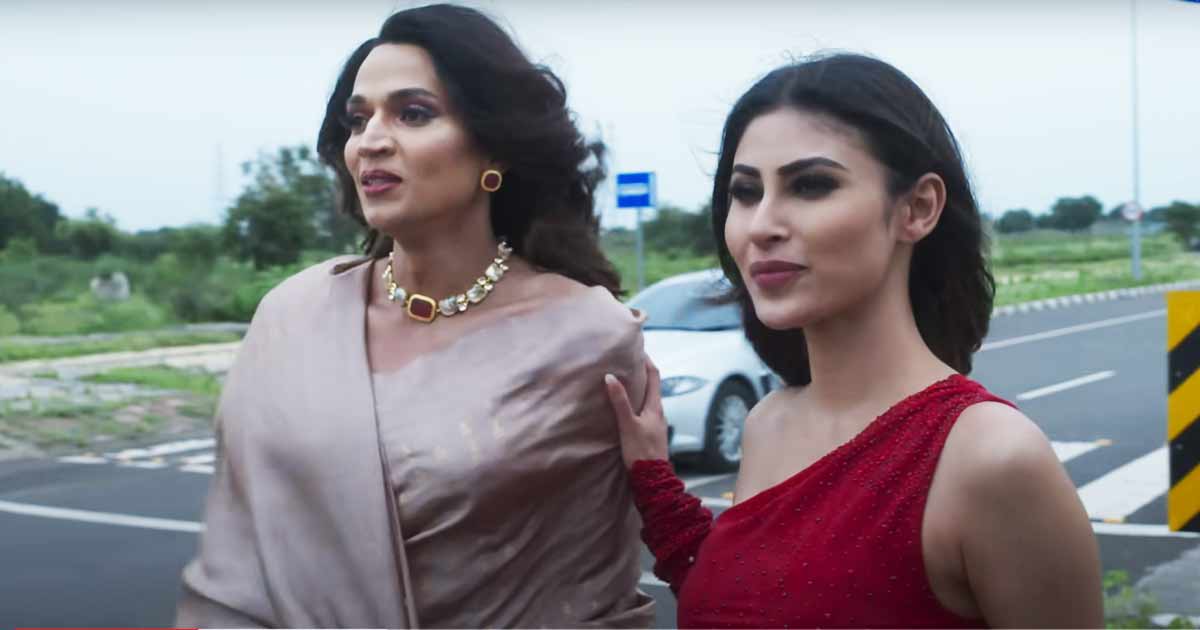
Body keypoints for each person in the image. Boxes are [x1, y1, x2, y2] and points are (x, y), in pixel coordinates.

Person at [176, 5, 654, 627]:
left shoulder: (587, 336)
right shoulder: (293, 316)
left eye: (413, 113)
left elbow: (595, 585)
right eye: (358, 119)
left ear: (495, 146)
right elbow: (234, 561)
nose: (371, 140)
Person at [605, 53, 1103, 628]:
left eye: (811, 185)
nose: (761, 225)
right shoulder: (768, 423)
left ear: (918, 208)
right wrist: (654, 479)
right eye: (745, 192)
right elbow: (750, 601)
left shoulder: (992, 459)